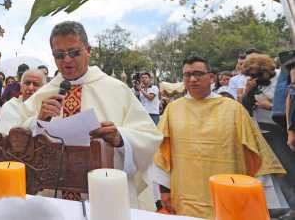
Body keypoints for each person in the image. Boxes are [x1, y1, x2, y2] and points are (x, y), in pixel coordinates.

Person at [18, 21, 162, 209]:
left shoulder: (116, 89)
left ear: (88, 50)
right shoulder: (43, 93)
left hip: (105, 196)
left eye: (74, 52)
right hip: (53, 194)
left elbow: (150, 137)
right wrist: (38, 121)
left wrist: (121, 138)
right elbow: (16, 140)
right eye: (59, 55)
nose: (67, 60)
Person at [153, 55, 285, 219]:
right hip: (186, 196)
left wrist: (257, 193)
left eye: (198, 74)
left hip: (229, 194)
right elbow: (162, 154)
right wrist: (164, 191)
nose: (193, 79)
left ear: (211, 77)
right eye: (187, 75)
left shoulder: (233, 109)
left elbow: (253, 152)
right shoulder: (172, 110)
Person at [0, 69, 46, 136]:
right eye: (27, 83)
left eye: (36, 84)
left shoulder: (49, 109)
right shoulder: (10, 106)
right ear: (21, 87)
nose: (31, 88)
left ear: (43, 88)